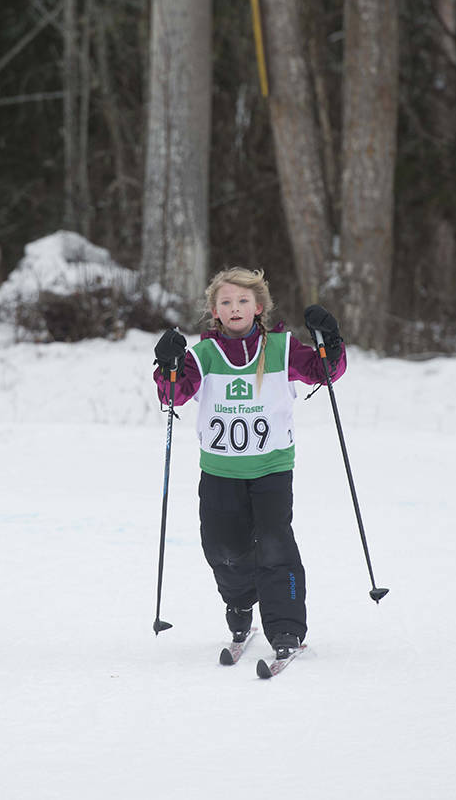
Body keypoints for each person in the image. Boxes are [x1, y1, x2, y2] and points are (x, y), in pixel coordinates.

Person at [151, 267, 346, 661]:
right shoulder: (203, 355)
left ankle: (286, 629)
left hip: (272, 468)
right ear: (214, 311)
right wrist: (167, 366)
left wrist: (330, 342)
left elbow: (325, 373)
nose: (234, 307)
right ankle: (239, 605)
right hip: (221, 472)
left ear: (258, 307)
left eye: (243, 300)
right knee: (224, 550)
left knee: (275, 546)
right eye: (226, 302)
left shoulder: (281, 348)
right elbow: (175, 393)